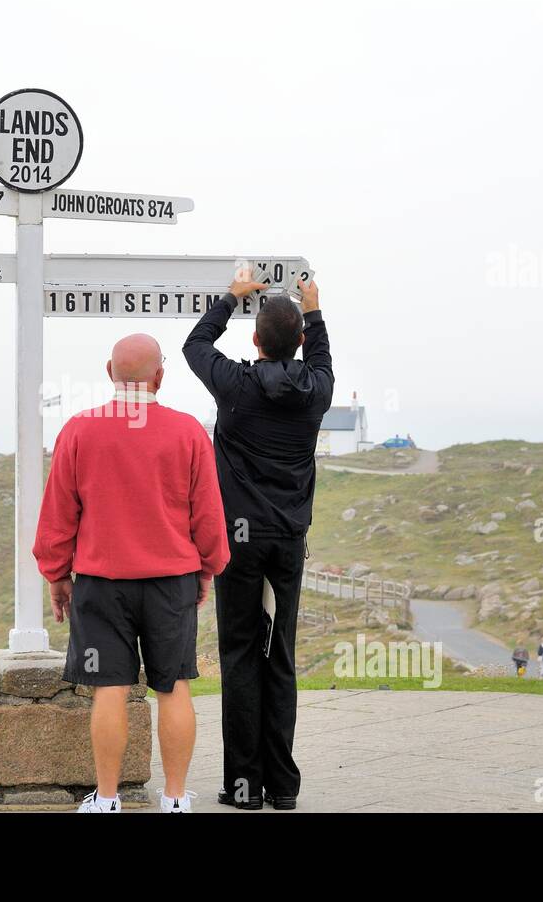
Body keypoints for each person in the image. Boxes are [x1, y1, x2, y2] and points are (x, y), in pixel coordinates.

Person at [33, 334, 230, 813]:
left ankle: (105, 799)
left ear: (109, 372)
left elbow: (59, 514)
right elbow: (207, 517)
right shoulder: (187, 433)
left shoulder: (79, 431)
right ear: (159, 376)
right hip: (171, 582)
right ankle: (177, 800)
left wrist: (57, 575)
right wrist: (208, 569)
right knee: (174, 686)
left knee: (110, 689)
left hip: (101, 585)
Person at [183, 275, 334, 811]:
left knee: (241, 655)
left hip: (239, 542)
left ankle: (244, 788)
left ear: (254, 341)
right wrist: (313, 310)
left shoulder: (235, 385)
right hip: (289, 541)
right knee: (281, 658)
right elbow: (319, 355)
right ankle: (284, 788)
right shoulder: (317, 390)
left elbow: (194, 345)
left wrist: (230, 296)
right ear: (298, 343)